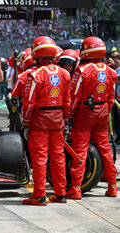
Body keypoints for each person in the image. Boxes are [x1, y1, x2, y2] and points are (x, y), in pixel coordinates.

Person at [22, 36, 71, 206]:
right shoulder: (64, 73)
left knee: (40, 158)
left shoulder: (34, 74)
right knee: (58, 157)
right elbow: (67, 101)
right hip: (58, 119)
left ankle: (39, 195)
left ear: (36, 53)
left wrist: (26, 122)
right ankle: (61, 193)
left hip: (40, 120)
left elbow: (29, 102)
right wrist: (65, 119)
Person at [68, 36, 118, 199]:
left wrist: (69, 114)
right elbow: (111, 97)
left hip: (84, 113)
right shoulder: (110, 71)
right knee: (105, 149)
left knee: (80, 149)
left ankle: (76, 187)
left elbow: (74, 96)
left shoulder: (81, 71)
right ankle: (112, 186)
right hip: (103, 112)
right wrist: (105, 111)